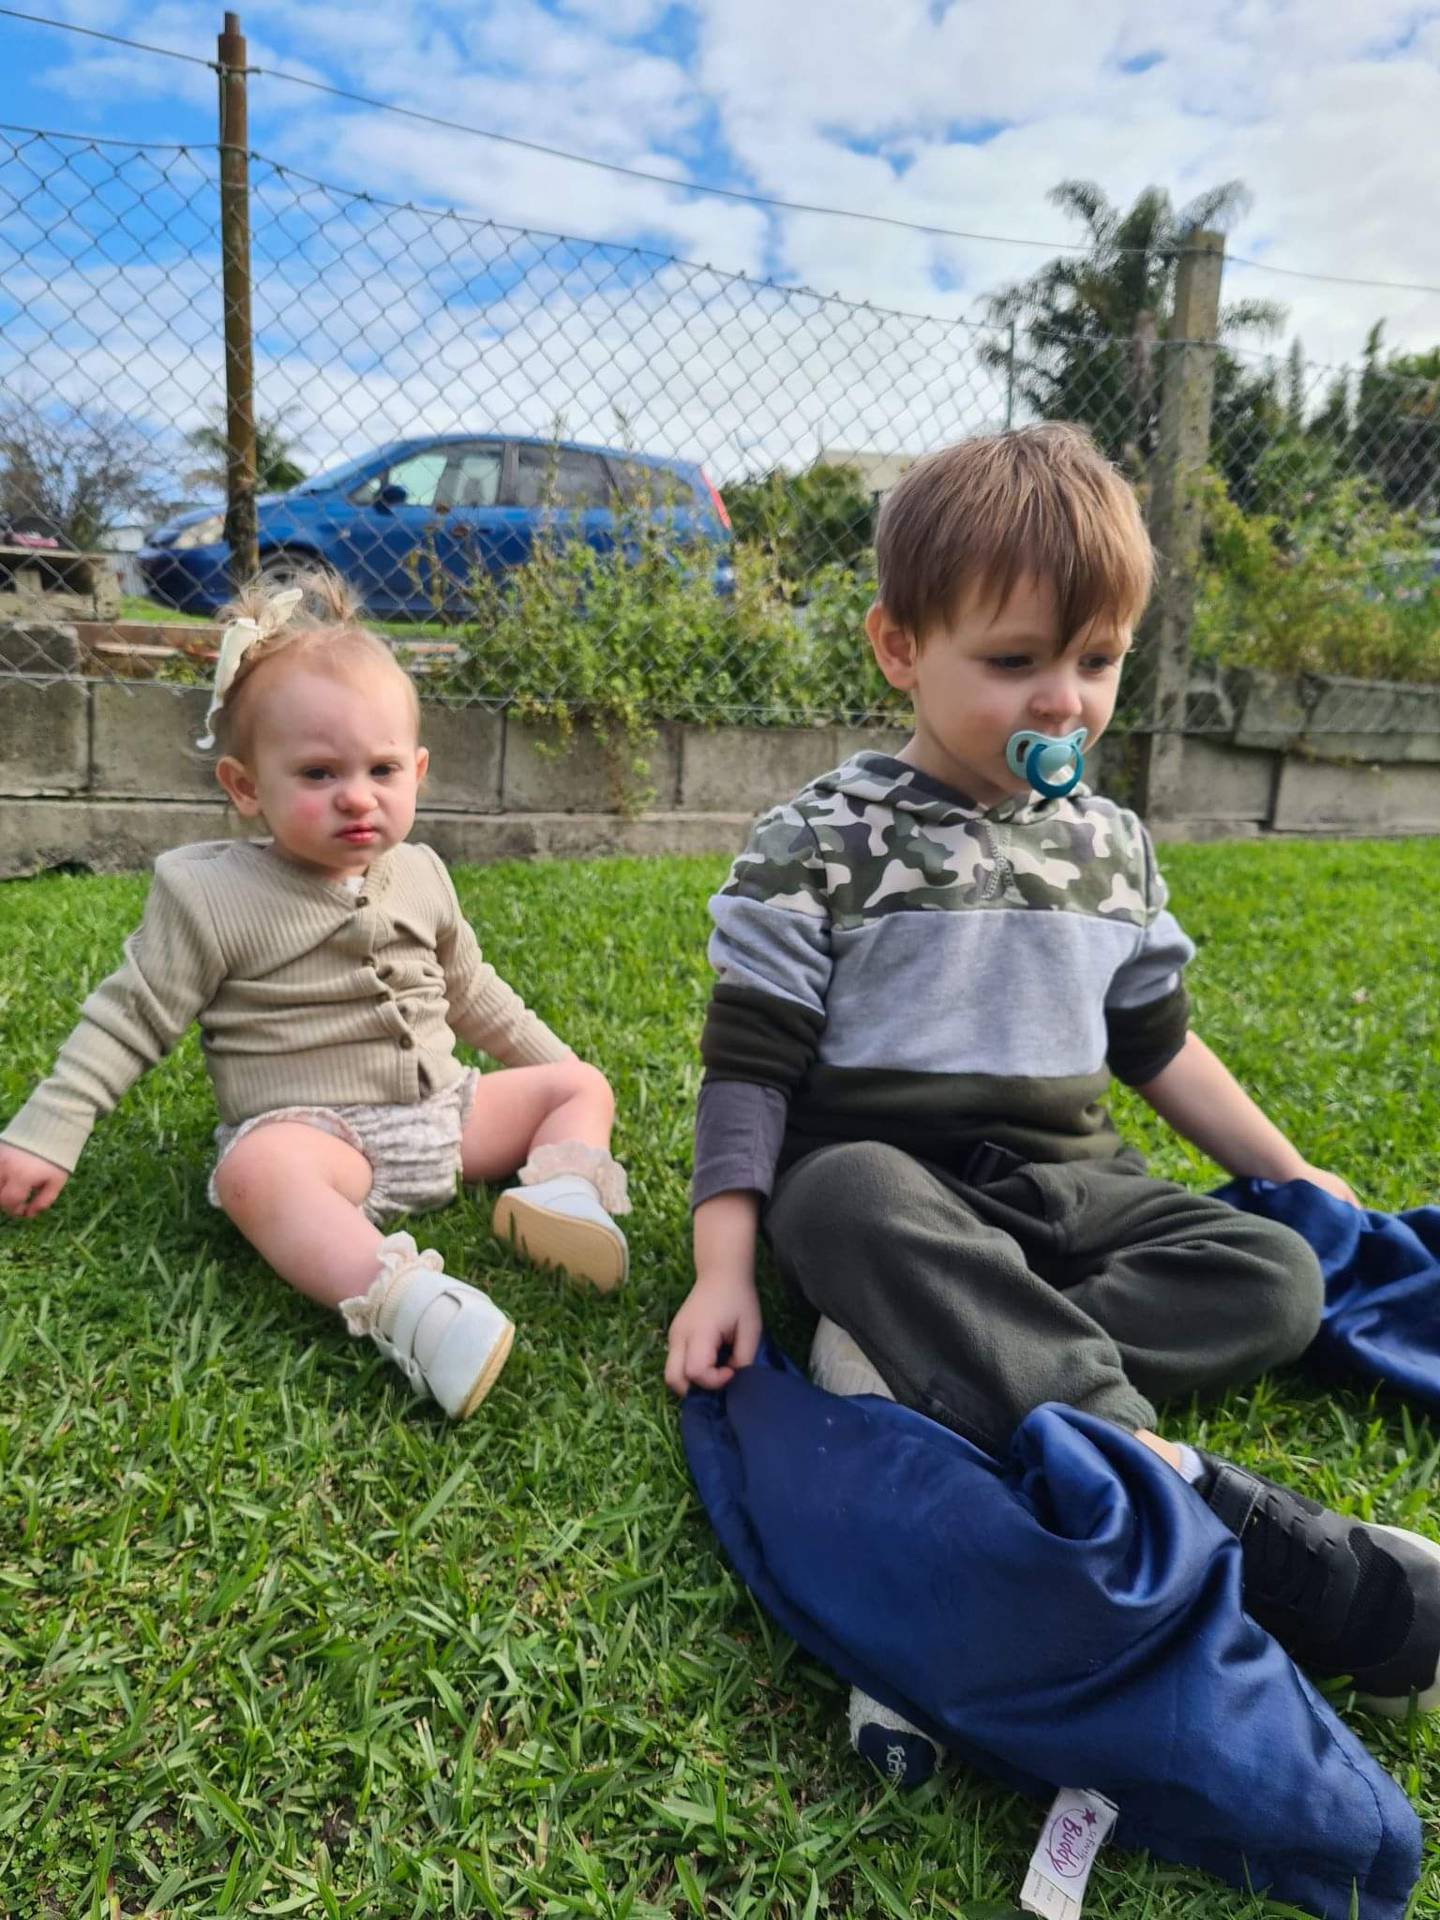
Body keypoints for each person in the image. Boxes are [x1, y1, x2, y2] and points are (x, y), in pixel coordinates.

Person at [664, 423, 1440, 1779]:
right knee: (835, 1196)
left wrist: (1303, 1175)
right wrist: (721, 1268)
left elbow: (1158, 1049)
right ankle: (1175, 1487)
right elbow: (749, 1075)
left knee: (1274, 1275)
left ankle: (934, 1374)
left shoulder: (1114, 846)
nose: (1063, 703)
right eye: (1014, 662)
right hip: (893, 1186)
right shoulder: (818, 840)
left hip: (1074, 1187)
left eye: (1097, 663)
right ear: (900, 647)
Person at [0, 573, 630, 1418]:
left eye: (380, 769)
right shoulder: (208, 894)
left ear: (418, 770)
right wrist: (50, 1131)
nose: (357, 795)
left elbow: (475, 994)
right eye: (319, 772)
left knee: (582, 1085)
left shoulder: (423, 874)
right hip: (322, 1140)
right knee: (256, 1172)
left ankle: (558, 1201)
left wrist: (556, 1075)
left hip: (446, 1117)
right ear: (245, 785)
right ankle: (404, 1302)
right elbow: (130, 1017)